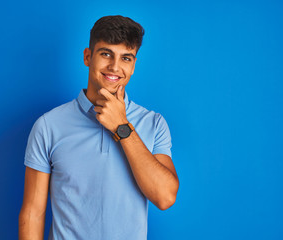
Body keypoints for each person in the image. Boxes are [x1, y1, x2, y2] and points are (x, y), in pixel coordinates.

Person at [19, 15, 179, 240]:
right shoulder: (48, 126)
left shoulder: (153, 123)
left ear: (133, 65)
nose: (115, 67)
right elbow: (33, 213)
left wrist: (122, 127)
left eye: (126, 58)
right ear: (88, 56)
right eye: (106, 54)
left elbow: (165, 197)